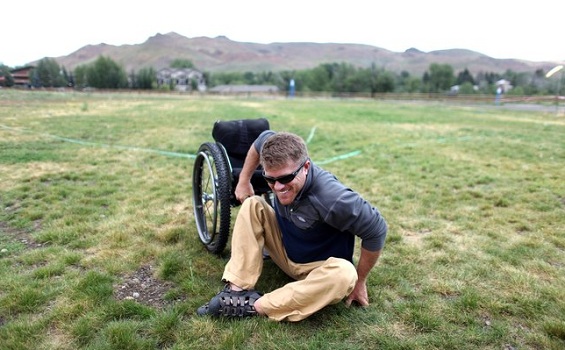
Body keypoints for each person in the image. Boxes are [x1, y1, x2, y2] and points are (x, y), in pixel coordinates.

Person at [197, 130, 388, 321]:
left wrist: (360, 281)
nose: (278, 187)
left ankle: (254, 306)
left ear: (305, 166)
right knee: (252, 205)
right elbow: (259, 141)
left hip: (318, 271)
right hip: (285, 251)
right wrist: (244, 180)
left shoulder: (333, 198)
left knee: (346, 274)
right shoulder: (271, 148)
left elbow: (377, 229)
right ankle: (236, 291)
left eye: (285, 178)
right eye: (270, 179)